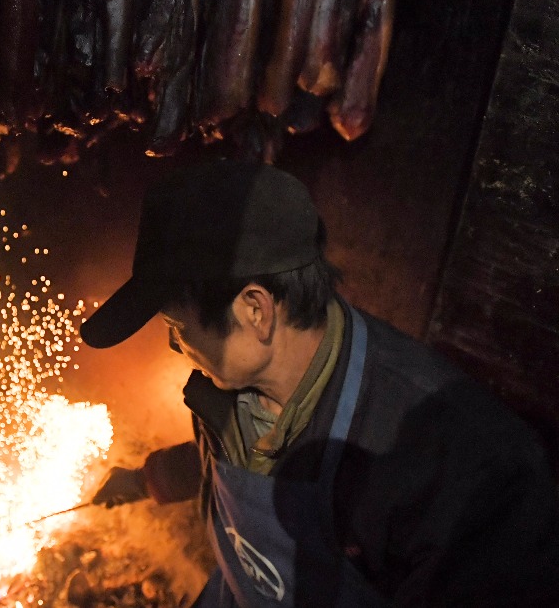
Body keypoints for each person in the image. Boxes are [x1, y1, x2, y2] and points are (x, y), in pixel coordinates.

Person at [79, 159, 559, 607]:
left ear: (255, 311)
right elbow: (239, 453)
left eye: (177, 326)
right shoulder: (228, 386)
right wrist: (151, 479)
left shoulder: (460, 469)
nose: (174, 345)